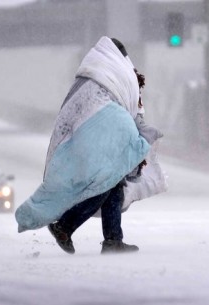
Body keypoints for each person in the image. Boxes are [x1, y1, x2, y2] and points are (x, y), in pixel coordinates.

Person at [15, 36, 161, 254]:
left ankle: (112, 240)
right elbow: (127, 105)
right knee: (104, 183)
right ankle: (65, 226)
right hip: (100, 136)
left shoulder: (89, 76)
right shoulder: (117, 74)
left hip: (87, 137)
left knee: (112, 184)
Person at [48, 65, 164, 255]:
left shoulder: (109, 84)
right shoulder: (116, 87)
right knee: (104, 188)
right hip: (103, 145)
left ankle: (112, 240)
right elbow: (125, 117)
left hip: (102, 144)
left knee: (114, 189)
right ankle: (65, 227)